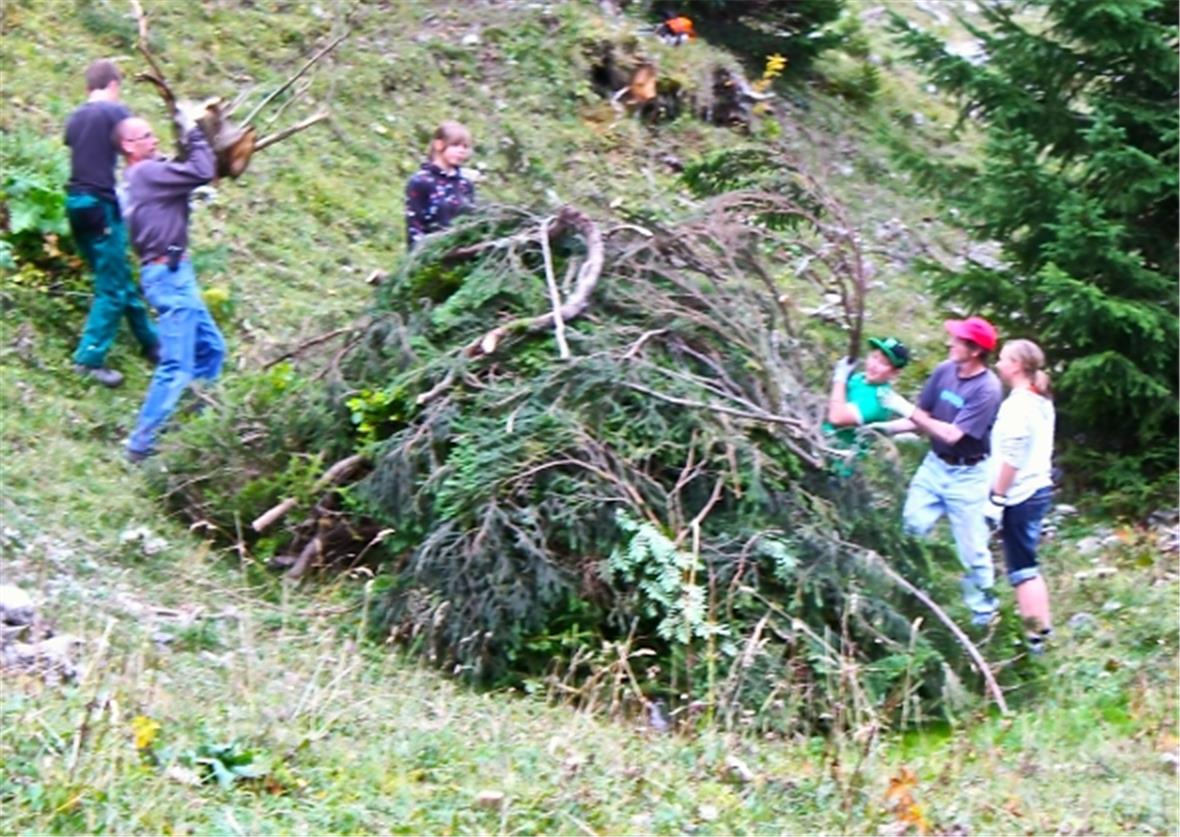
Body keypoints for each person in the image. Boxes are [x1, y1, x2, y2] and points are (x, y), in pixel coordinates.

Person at [878, 317, 1003, 626]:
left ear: (974, 350)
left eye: (958, 340)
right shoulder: (944, 371)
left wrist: (903, 407)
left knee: (972, 551)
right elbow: (922, 419)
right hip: (935, 466)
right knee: (911, 528)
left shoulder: (988, 389)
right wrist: (882, 429)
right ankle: (910, 598)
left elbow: (951, 435)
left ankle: (983, 617)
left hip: (969, 475)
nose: (950, 343)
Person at [118, 111, 225, 462]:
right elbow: (200, 171)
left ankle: (188, 426)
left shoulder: (147, 175)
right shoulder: (146, 173)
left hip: (178, 274)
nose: (155, 141)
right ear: (128, 146)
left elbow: (194, 175)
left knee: (211, 349)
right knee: (176, 365)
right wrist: (194, 132)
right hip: (169, 277)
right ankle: (141, 444)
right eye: (147, 136)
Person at [64, 59, 160, 387]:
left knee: (117, 276)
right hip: (101, 205)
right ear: (114, 85)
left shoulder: (75, 117)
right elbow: (137, 149)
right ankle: (88, 360)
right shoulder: (115, 113)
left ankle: (152, 343)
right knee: (112, 289)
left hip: (75, 203)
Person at [988, 339, 1055, 653]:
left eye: (1003, 359)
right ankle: (1040, 630)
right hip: (1037, 487)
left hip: (1021, 494)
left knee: (1022, 568)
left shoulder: (1018, 405)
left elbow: (1012, 456)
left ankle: (1035, 638)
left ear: (1016, 365)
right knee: (1025, 562)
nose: (998, 364)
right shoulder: (1040, 400)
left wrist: (997, 496)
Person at [824, 336, 911, 475]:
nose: (873, 365)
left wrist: (839, 378)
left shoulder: (879, 400)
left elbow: (836, 418)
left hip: (839, 465)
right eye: (874, 357)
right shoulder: (860, 378)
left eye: (883, 363)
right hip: (824, 444)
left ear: (894, 373)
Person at [404, 121, 475, 249]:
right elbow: (415, 227)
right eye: (455, 145)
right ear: (439, 145)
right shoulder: (421, 181)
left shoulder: (465, 184)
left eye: (465, 147)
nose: (461, 151)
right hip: (430, 255)